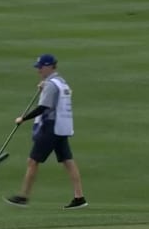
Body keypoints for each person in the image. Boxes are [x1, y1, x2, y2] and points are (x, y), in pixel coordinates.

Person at [6, 54, 88, 209]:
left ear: (50, 66)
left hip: (51, 127)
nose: (39, 70)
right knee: (68, 161)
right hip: (61, 127)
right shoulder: (61, 82)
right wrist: (45, 87)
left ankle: (23, 197)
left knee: (33, 161)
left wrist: (23, 118)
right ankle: (79, 197)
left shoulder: (51, 84)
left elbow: (43, 108)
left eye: (41, 67)